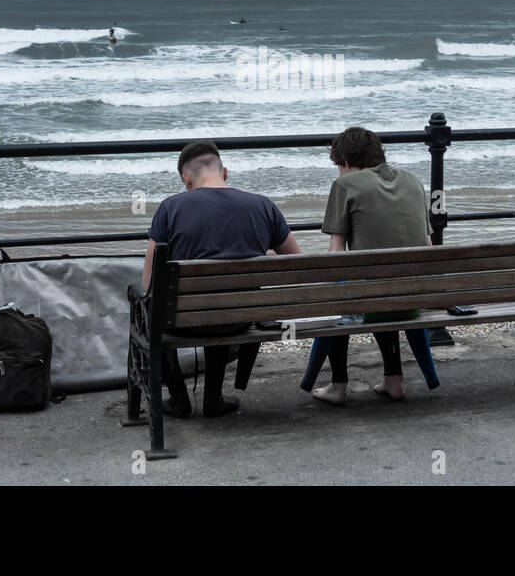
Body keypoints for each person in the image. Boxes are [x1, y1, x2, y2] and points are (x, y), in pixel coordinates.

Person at [139, 141, 301, 417]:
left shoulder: (170, 208)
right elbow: (297, 262)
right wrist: (261, 256)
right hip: (238, 319)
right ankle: (212, 399)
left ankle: (179, 399)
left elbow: (148, 282)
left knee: (153, 309)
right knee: (221, 304)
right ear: (224, 172)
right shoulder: (262, 205)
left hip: (182, 322)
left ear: (185, 179)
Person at [302, 127, 439, 404]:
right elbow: (427, 246)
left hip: (373, 302)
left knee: (341, 297)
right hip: (415, 297)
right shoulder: (413, 181)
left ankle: (338, 386)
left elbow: (336, 256)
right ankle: (394, 380)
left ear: (347, 162)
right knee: (377, 286)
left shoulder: (345, 185)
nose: (338, 173)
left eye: (338, 166)